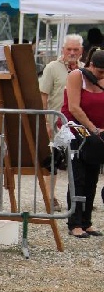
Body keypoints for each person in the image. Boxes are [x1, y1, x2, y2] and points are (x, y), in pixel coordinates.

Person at [61, 50, 104, 238]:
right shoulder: (76, 76)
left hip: (98, 134)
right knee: (77, 176)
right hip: (77, 132)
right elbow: (74, 107)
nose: (101, 75)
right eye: (100, 71)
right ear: (91, 65)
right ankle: (74, 222)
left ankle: (86, 221)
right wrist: (93, 129)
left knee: (93, 176)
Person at [39, 34, 84, 137]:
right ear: (63, 50)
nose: (72, 53)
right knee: (58, 152)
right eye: (69, 49)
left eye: (76, 50)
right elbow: (43, 97)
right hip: (56, 125)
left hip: (79, 125)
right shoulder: (51, 67)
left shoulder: (84, 69)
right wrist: (45, 123)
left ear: (81, 50)